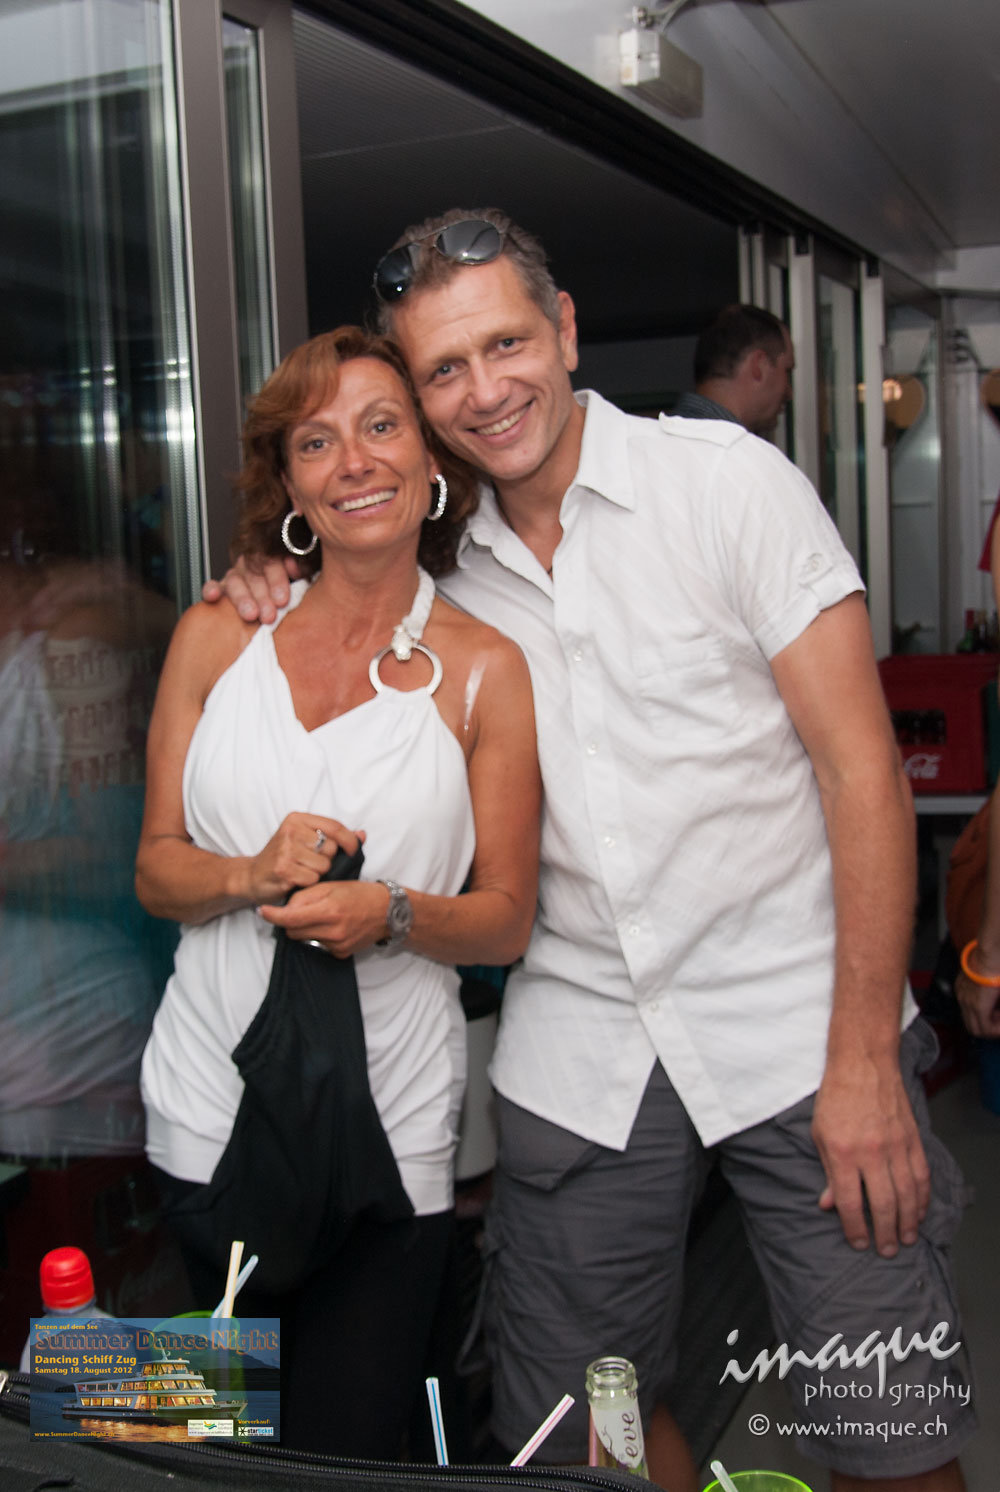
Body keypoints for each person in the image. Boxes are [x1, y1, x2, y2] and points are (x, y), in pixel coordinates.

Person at [211, 211, 974, 1491]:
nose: (484, 390)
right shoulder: (430, 569)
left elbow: (862, 773)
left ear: (564, 330)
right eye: (443, 369)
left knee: (884, 1429)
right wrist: (262, 578)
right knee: (585, 1436)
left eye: (505, 343)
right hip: (584, 1049)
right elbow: (321, 581)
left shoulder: (724, 484)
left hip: (799, 1023)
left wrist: (862, 1062)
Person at [136, 324, 540, 1456]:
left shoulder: (485, 668)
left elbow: (507, 916)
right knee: (217, 1439)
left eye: (381, 426)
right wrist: (248, 873)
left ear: (430, 462)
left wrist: (393, 913)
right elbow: (156, 868)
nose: (354, 461)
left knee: (348, 1448)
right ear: (291, 484)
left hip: (393, 1126)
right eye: (316, 442)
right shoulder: (219, 634)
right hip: (209, 1110)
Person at [673, 302, 794, 435]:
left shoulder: (659, 439)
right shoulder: (734, 446)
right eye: (787, 370)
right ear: (759, 365)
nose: (790, 393)